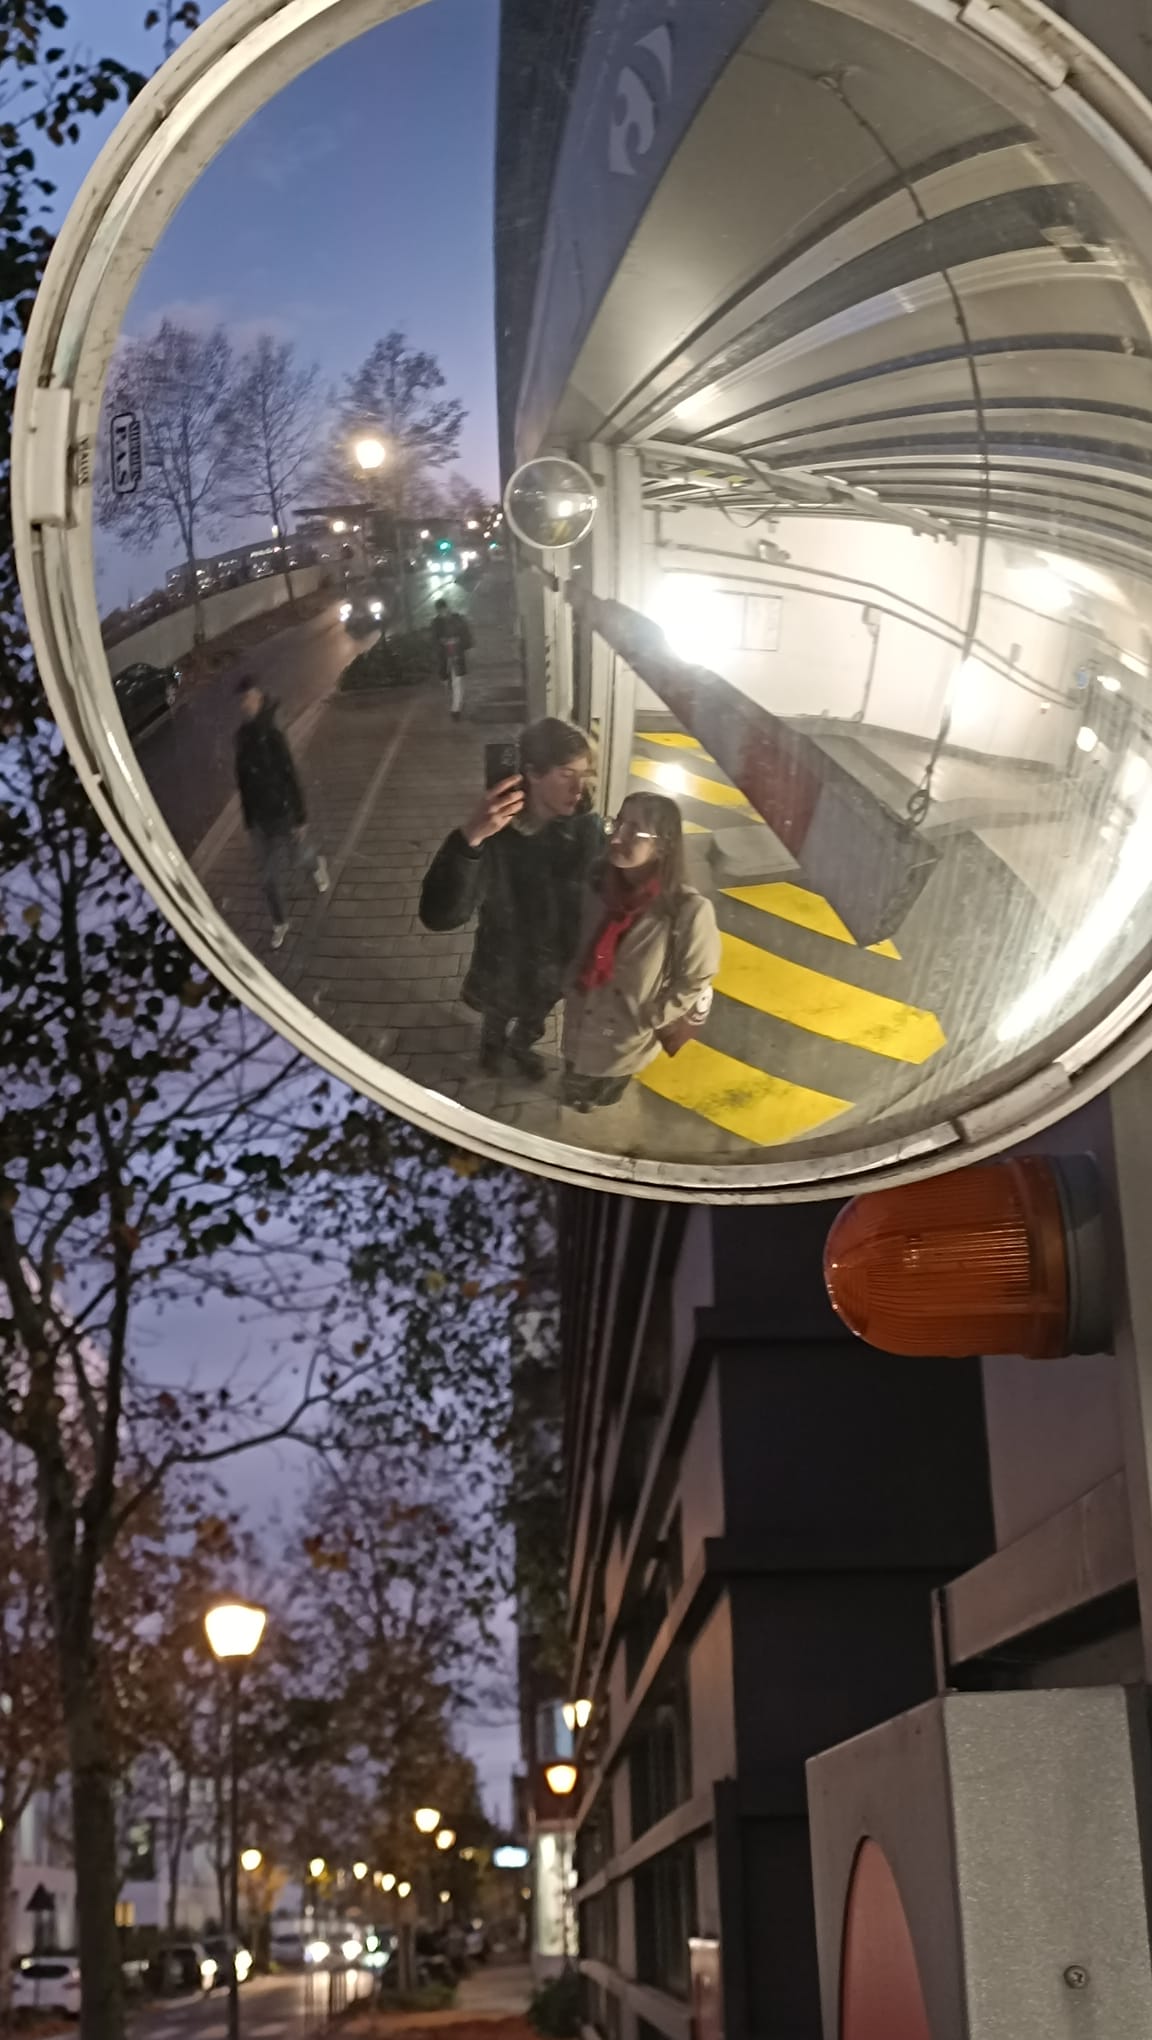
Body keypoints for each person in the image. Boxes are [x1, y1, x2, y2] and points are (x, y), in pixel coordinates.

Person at [419, 717, 602, 1078]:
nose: (579, 788)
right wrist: (469, 839)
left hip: (556, 965)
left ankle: (521, 1048)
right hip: (505, 964)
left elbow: (601, 897)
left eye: (585, 774)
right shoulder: (497, 837)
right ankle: (492, 1048)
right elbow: (441, 916)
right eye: (566, 773)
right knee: (497, 1015)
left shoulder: (588, 828)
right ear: (533, 773)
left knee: (535, 1018)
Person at [561, 792, 721, 1110]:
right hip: (582, 1014)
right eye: (617, 823)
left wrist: (655, 1016)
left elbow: (697, 976)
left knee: (605, 1087)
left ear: (663, 846)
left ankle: (592, 1100)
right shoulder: (597, 883)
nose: (616, 837)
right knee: (573, 1071)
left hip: (626, 1034)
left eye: (634, 831)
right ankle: (576, 1095)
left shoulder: (687, 909)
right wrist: (567, 980)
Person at [233, 677, 329, 949]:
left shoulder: (272, 734)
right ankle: (279, 923)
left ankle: (316, 865)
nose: (246, 704)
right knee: (267, 878)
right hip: (258, 821)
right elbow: (243, 780)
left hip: (282, 812)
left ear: (259, 698)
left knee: (300, 856)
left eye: (249, 698)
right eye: (242, 700)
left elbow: (289, 773)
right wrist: (248, 818)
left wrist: (300, 816)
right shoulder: (241, 737)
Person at [430, 598, 474, 720]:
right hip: (444, 656)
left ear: (447, 608)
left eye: (443, 609)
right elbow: (434, 640)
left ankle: (456, 709)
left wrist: (460, 642)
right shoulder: (436, 623)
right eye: (440, 611)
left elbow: (466, 635)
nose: (442, 612)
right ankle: (457, 703)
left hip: (457, 654)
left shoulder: (457, 619)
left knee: (457, 680)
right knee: (447, 682)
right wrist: (442, 642)